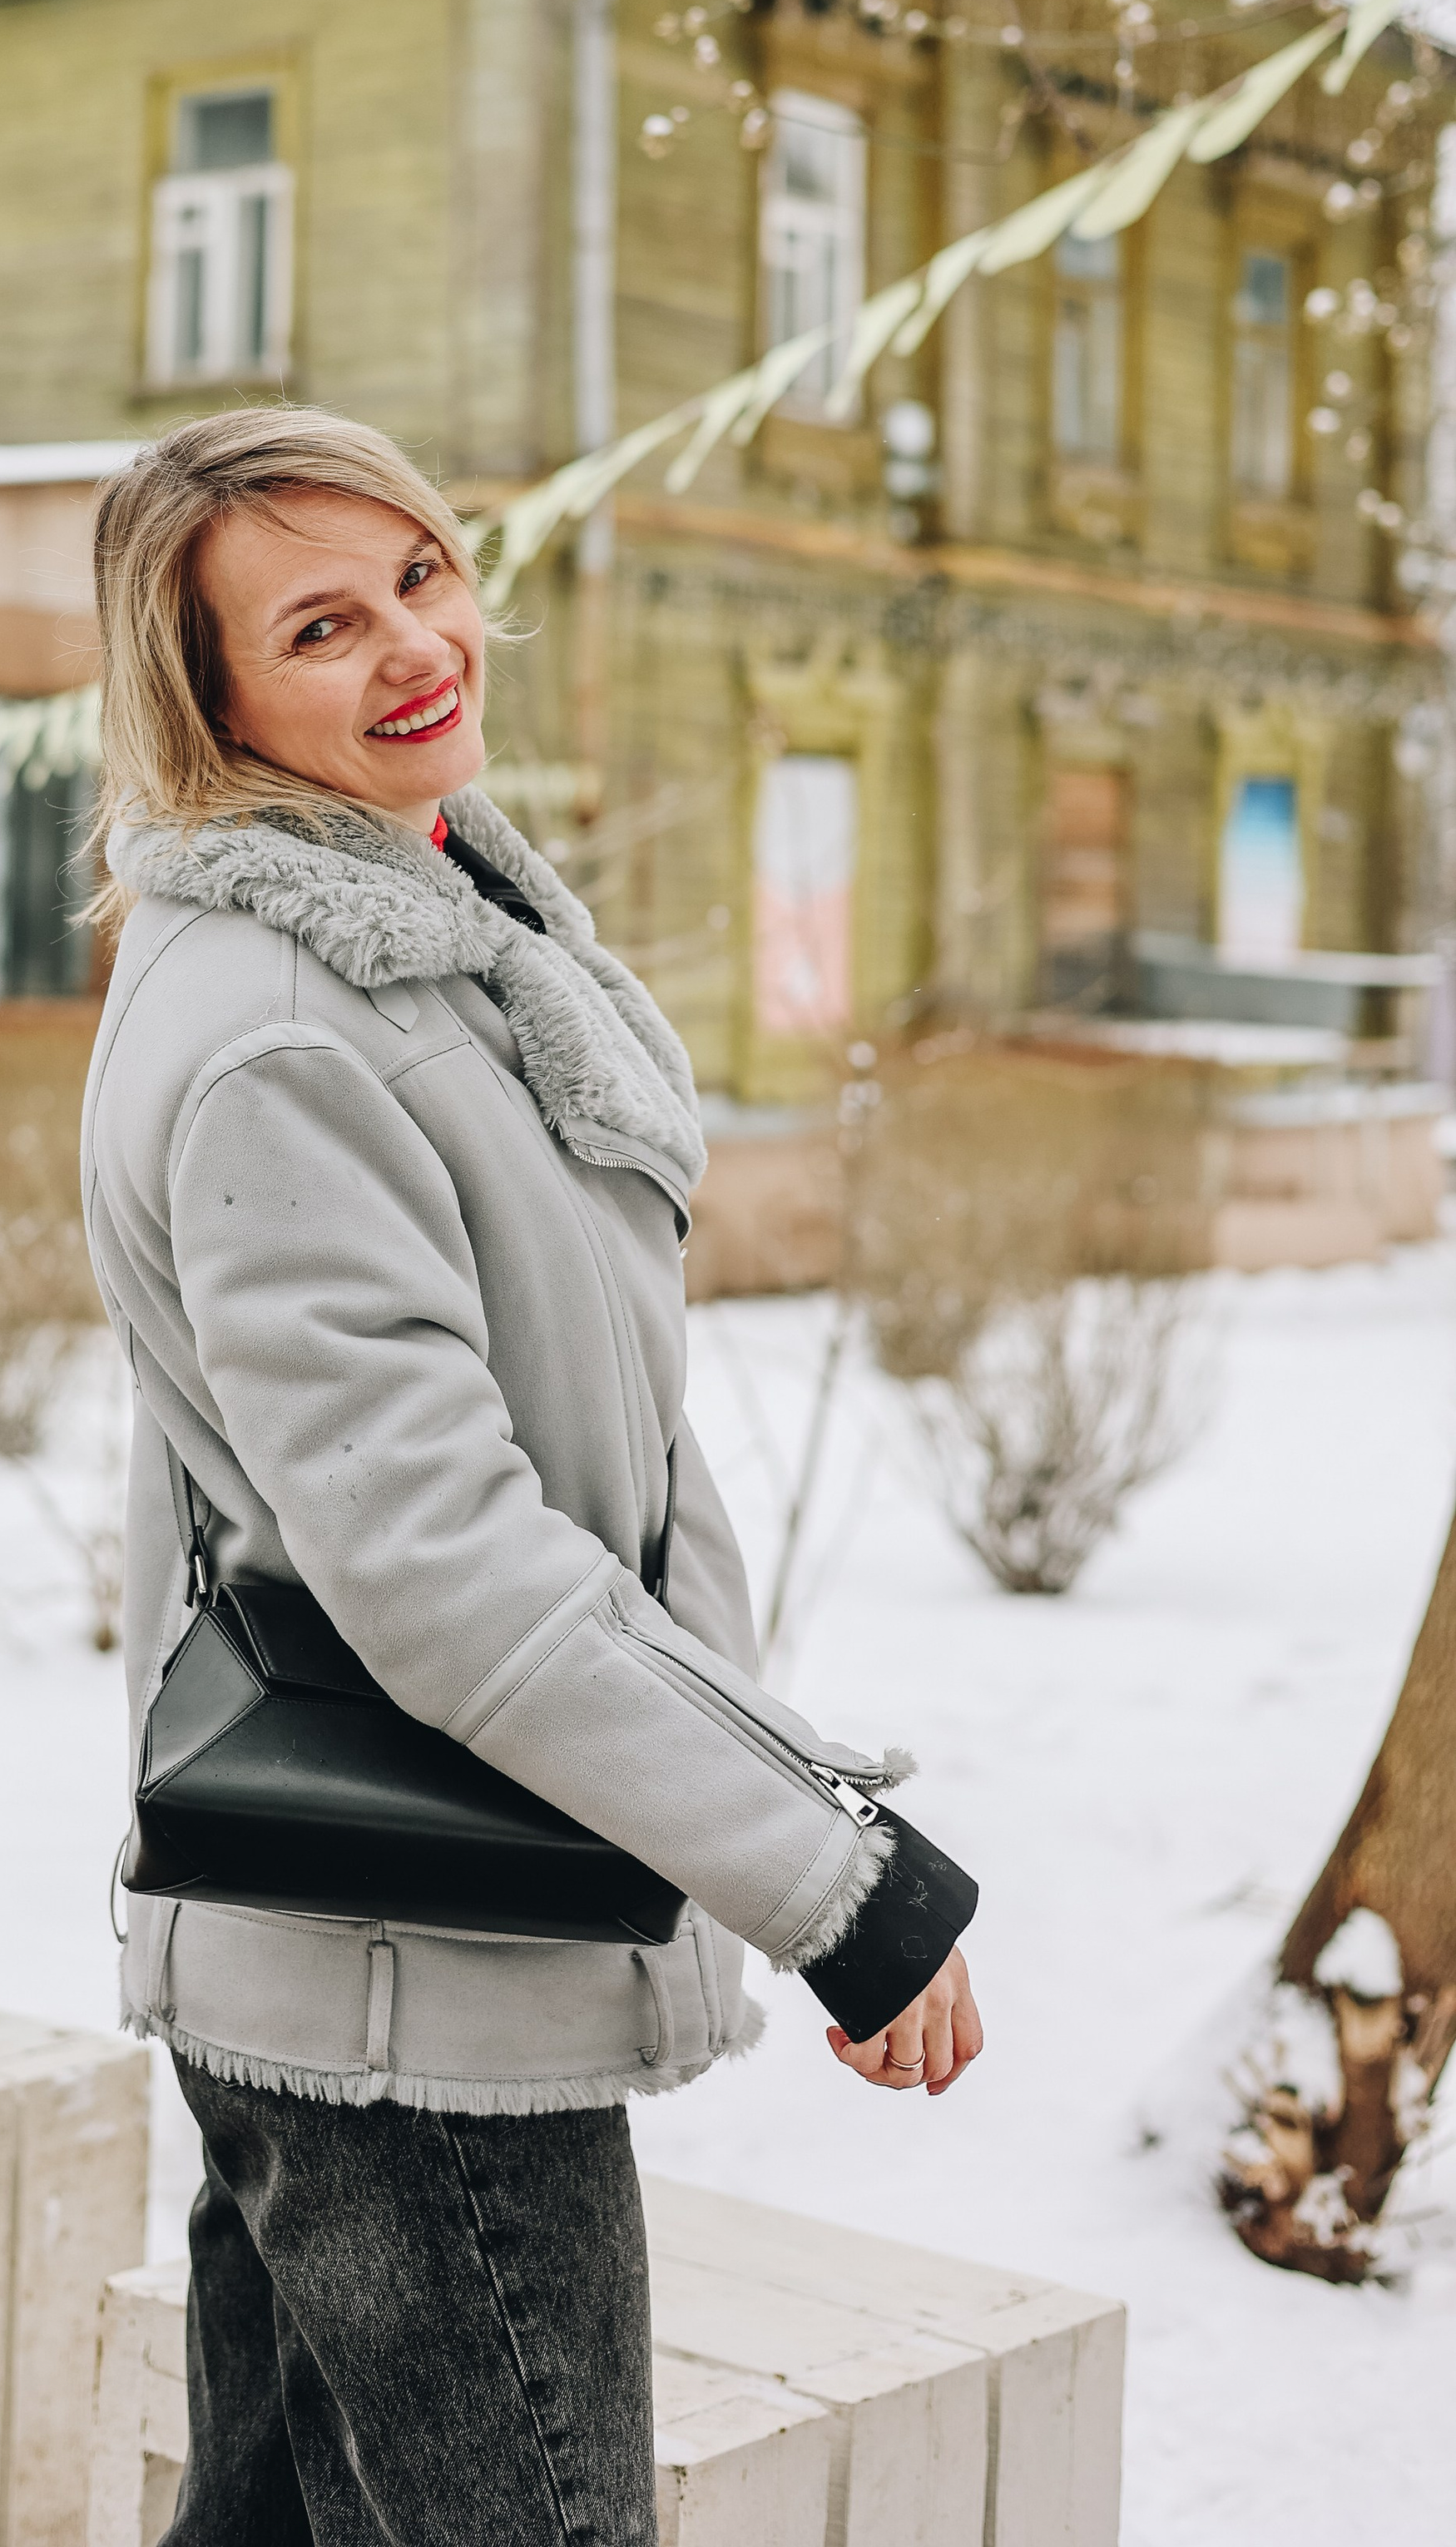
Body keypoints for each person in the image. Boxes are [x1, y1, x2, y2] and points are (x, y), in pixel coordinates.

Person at [81, 408, 983, 2547]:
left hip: (375, 1943)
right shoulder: (289, 1031)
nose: (415, 643)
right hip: (410, 1985)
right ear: (211, 705)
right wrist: (832, 1872)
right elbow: (445, 1566)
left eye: (419, 573)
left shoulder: (432, 935)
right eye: (318, 626)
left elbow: (585, 1455)